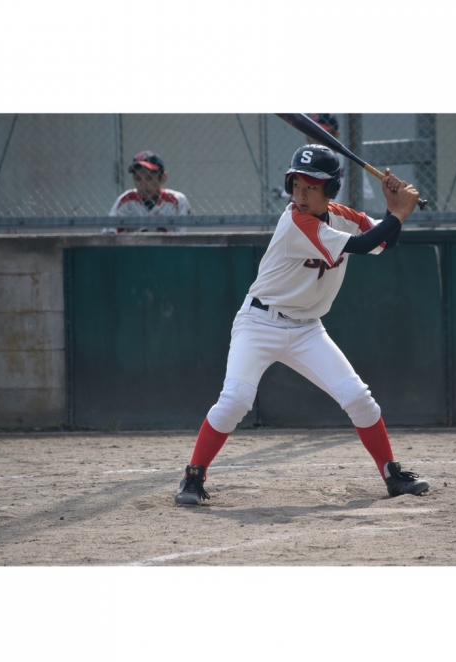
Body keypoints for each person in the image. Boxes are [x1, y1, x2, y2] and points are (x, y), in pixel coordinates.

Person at [175, 143, 430, 506]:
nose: (301, 194)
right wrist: (401, 212)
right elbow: (363, 245)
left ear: (331, 189)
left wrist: (392, 211)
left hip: (307, 328)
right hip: (259, 323)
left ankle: (391, 474)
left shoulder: (343, 216)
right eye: (296, 185)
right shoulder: (296, 221)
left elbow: (384, 241)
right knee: (236, 400)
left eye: (311, 186)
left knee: (358, 397)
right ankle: (193, 475)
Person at [103, 151, 191, 233]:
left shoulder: (177, 200)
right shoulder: (127, 200)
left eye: (149, 178)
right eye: (138, 178)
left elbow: (181, 237)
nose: (143, 184)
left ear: (163, 178)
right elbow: (110, 234)